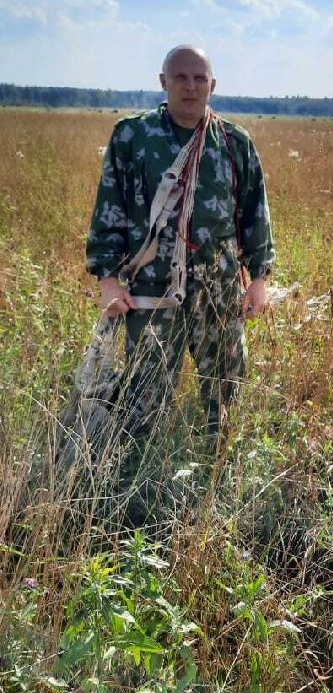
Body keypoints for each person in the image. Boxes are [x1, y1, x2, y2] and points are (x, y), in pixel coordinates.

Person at [85, 45, 274, 481]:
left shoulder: (234, 142)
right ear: (163, 82)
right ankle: (132, 481)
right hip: (151, 289)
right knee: (145, 392)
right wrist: (109, 281)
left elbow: (254, 211)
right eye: (181, 77)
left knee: (226, 383)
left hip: (218, 287)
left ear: (213, 84)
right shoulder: (133, 137)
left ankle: (217, 474)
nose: (190, 87)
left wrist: (259, 279)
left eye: (199, 78)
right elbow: (109, 208)